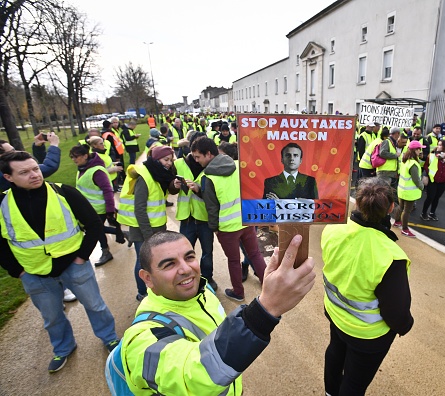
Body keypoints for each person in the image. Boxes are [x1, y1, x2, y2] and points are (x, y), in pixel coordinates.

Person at [116, 231, 315, 395]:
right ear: (147, 278)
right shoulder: (141, 338)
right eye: (169, 264)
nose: (186, 269)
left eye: (189, 257)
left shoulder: (202, 290)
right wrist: (265, 309)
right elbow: (194, 376)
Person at [0, 151, 119, 373]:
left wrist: (81, 257)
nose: (34, 175)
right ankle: (63, 348)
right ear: (8, 177)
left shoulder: (64, 192)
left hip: (74, 266)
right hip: (34, 274)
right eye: (24, 172)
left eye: (35, 168)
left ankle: (110, 338)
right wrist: (18, 271)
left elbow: (93, 224)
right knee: (52, 317)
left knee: (95, 305)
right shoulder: (2, 204)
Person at [321, 177, 413, 395]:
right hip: (367, 336)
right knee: (354, 382)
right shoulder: (391, 256)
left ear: (357, 203)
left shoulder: (333, 229)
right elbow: (397, 313)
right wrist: (405, 325)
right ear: (391, 208)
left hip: (336, 314)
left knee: (335, 353)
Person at [193, 138, 268, 301]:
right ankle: (269, 287)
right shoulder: (236, 165)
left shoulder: (208, 177)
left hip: (227, 228)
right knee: (255, 254)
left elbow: (211, 207)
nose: (196, 161)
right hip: (246, 220)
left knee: (234, 261)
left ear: (208, 154)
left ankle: (238, 293)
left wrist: (214, 228)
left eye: (198, 157)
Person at [118, 145, 177, 302]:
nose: (169, 163)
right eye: (166, 160)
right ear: (156, 159)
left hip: (156, 227)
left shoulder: (157, 175)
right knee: (143, 262)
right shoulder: (144, 177)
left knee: (154, 261)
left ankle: (154, 290)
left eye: (171, 160)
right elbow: (140, 209)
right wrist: (148, 235)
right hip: (143, 230)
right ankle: (142, 293)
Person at [171, 133, 217, 291]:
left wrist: (198, 190)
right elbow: (169, 188)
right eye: (195, 155)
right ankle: (185, 278)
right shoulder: (178, 164)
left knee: (207, 252)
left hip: (204, 219)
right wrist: (174, 185)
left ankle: (207, 278)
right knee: (183, 254)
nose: (197, 159)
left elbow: (214, 196)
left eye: (199, 156)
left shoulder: (211, 168)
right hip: (187, 219)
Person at [70, 144, 127, 266]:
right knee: (97, 229)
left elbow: (108, 191)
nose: (74, 160)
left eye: (76, 157)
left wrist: (110, 210)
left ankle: (106, 251)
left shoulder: (96, 171)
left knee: (95, 231)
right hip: (88, 208)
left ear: (85, 156)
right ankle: (122, 234)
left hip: (98, 209)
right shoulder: (82, 168)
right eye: (72, 157)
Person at [421, 140, 445, 221]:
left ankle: (432, 213)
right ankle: (424, 213)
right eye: (438, 145)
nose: (438, 146)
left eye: (440, 145)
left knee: (437, 198)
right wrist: (427, 174)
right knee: (430, 197)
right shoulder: (432, 155)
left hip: (443, 181)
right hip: (432, 180)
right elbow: (426, 165)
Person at [394, 140, 425, 237]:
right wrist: (422, 186)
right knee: (407, 211)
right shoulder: (413, 164)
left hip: (402, 189)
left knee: (401, 207)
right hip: (409, 192)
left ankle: (397, 221)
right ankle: (405, 229)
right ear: (415, 150)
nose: (420, 151)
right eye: (419, 149)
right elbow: (416, 180)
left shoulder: (405, 159)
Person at [377, 129, 407, 195]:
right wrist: (395, 155)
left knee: (391, 194)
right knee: (383, 193)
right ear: (396, 133)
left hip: (392, 172)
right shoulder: (387, 141)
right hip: (385, 172)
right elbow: (382, 153)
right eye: (399, 134)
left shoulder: (393, 143)